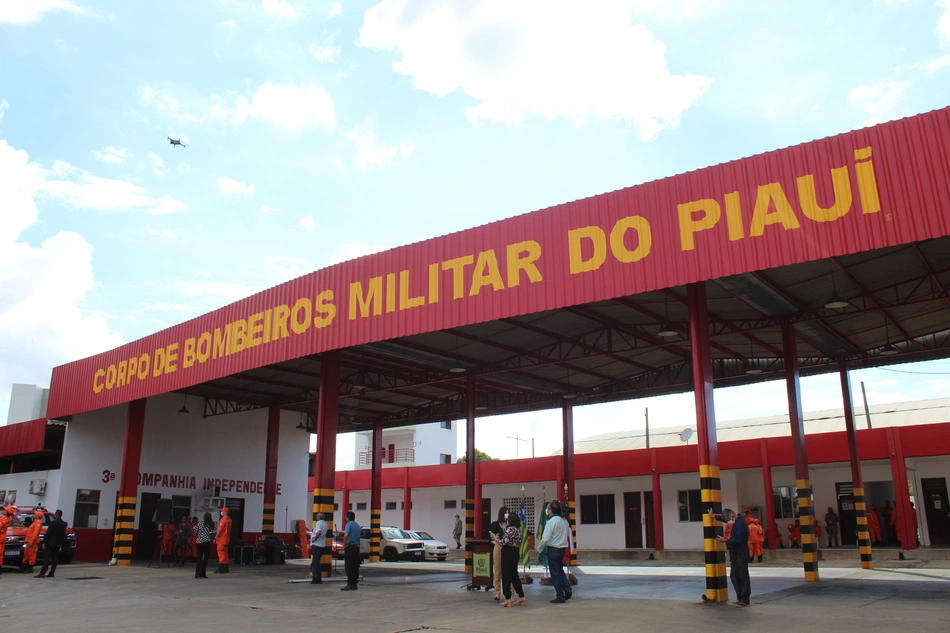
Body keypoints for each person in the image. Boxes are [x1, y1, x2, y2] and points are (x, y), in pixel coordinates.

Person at [711, 507, 750, 608]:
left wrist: (725, 541)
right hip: (736, 553)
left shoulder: (740, 524)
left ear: (732, 516)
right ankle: (740, 598)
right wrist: (714, 516)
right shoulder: (736, 520)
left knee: (742, 576)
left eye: (728, 520)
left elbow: (738, 540)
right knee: (735, 576)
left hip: (741, 553)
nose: (728, 522)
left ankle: (745, 600)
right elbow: (725, 519)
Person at [537, 500, 572, 604]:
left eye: (547, 508)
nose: (546, 510)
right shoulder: (565, 521)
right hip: (562, 548)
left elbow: (545, 538)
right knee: (559, 570)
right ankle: (567, 588)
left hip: (553, 549)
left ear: (551, 510)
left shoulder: (551, 522)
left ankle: (560, 594)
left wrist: (539, 549)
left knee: (555, 573)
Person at [492, 511, 526, 607]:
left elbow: (503, 542)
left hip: (507, 553)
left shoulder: (510, 529)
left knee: (506, 576)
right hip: (515, 553)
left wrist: (496, 539)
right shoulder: (519, 530)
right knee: (514, 576)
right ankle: (521, 596)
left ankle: (508, 598)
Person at [36, 509, 67, 578]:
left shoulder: (52, 523)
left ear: (56, 515)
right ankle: (52, 572)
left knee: (47, 558)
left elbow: (48, 533)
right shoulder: (64, 524)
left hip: (50, 543)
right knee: (55, 558)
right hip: (58, 543)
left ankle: (42, 573)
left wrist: (44, 542)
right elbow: (63, 534)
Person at [488, 506, 509, 601]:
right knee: (497, 570)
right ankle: (497, 592)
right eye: (506, 512)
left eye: (508, 512)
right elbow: (490, 533)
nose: (507, 514)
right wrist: (493, 536)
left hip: (508, 547)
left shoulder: (510, 525)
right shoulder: (495, 524)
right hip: (498, 546)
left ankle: (510, 592)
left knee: (508, 570)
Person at [341, 511, 361, 591]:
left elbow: (346, 535)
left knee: (349, 567)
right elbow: (359, 538)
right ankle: (355, 584)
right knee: (355, 566)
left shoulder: (348, 525)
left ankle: (350, 583)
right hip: (356, 548)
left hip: (350, 548)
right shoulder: (357, 526)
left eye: (345, 517)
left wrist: (344, 544)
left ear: (348, 518)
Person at [20, 509, 43, 574]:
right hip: (29, 541)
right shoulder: (35, 522)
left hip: (32, 542)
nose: (34, 515)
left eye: (35, 514)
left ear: (38, 516)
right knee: (26, 555)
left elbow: (35, 533)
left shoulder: (38, 523)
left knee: (31, 555)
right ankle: (24, 567)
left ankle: (30, 568)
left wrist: (31, 542)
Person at [310, 512, 329, 585]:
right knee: (316, 561)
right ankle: (317, 576)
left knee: (315, 562)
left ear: (319, 517)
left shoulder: (318, 523)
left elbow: (319, 532)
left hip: (317, 545)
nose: (316, 517)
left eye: (317, 516)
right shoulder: (325, 524)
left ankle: (316, 577)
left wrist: (315, 538)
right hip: (322, 544)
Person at [194, 512, 214, 579]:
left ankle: (197, 574)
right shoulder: (211, 524)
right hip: (206, 542)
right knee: (205, 558)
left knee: (199, 558)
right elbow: (212, 533)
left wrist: (200, 534)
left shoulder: (200, 523)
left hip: (199, 542)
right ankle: (203, 573)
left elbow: (194, 529)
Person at [214, 507, 232, 574]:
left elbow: (219, 531)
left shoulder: (223, 520)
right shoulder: (229, 520)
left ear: (225, 512)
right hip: (226, 540)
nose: (221, 512)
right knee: (225, 554)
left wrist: (215, 537)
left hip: (221, 540)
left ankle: (221, 568)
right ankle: (226, 567)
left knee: (221, 554)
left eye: (222, 511)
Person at [0, 506, 15, 576]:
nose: (3, 511)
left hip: (0, 535)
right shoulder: (10, 518)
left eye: (5, 510)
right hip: (3, 536)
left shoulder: (2, 519)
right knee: (1, 553)